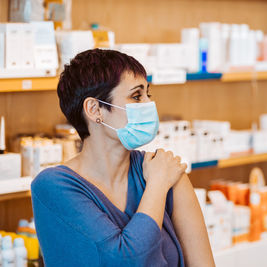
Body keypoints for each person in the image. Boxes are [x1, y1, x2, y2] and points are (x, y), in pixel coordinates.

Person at [31, 49, 215, 267]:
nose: (148, 105)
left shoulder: (163, 169)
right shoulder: (53, 186)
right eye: (136, 96)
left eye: (148, 94)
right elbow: (125, 261)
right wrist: (157, 185)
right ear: (95, 109)